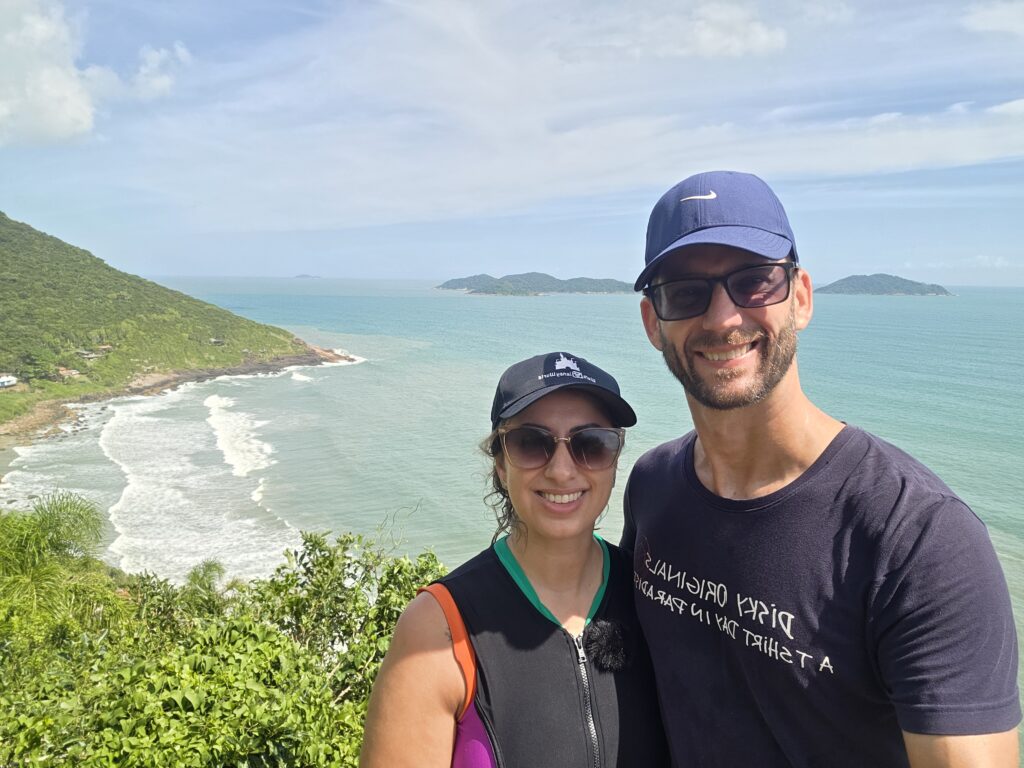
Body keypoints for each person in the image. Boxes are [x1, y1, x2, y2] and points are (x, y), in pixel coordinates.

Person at [623, 170, 1020, 767]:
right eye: (685, 292)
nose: (724, 318)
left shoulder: (921, 541)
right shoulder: (652, 486)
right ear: (654, 323)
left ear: (801, 296)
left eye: (754, 282)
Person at [361, 352, 668, 767]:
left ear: (615, 460)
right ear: (501, 465)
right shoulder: (438, 630)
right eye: (531, 443)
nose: (562, 471)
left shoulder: (653, 598)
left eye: (591, 444)